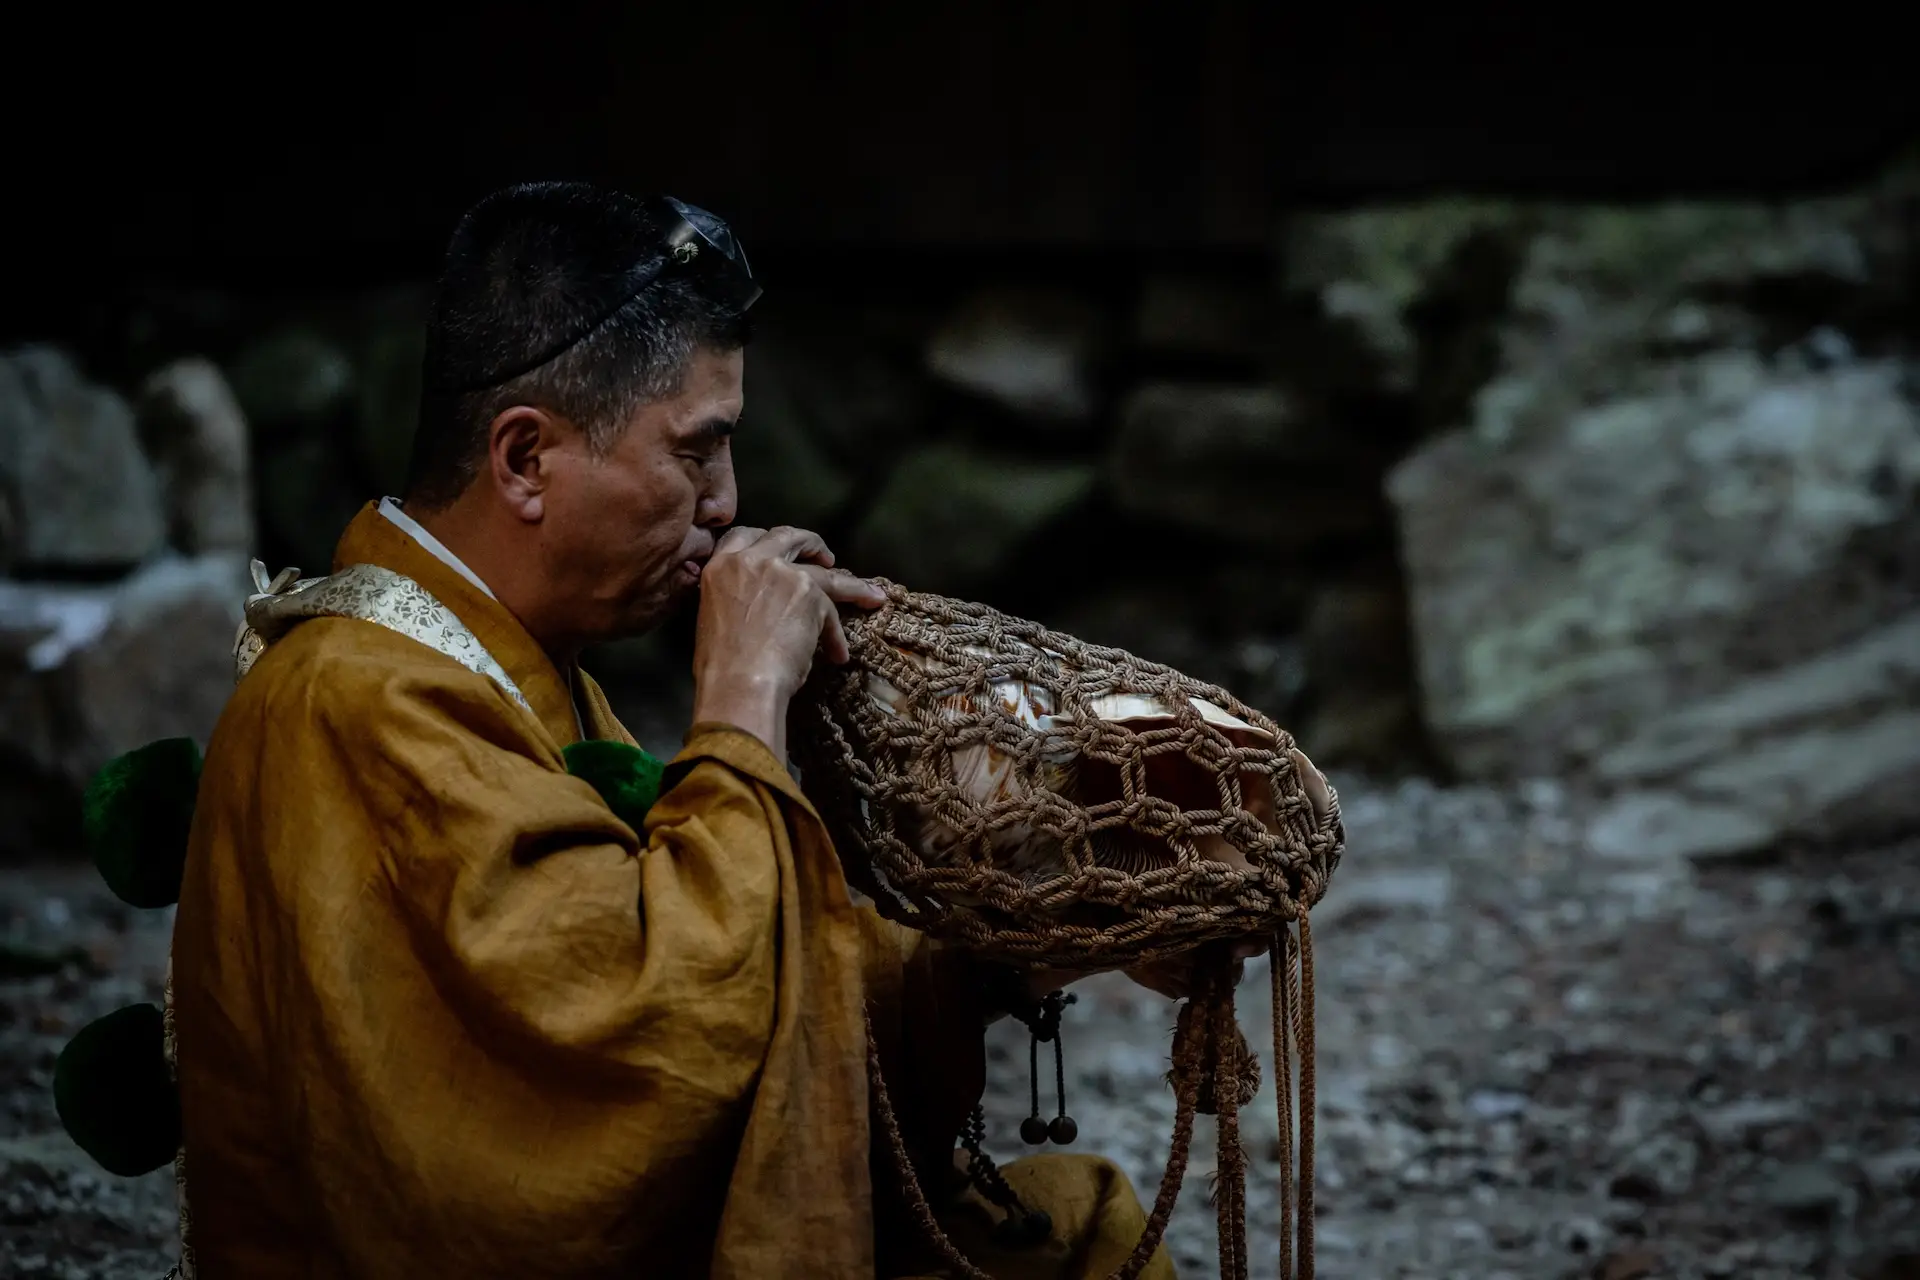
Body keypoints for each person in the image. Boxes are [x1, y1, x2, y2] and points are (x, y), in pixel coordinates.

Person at [171, 181, 1206, 1279]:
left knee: (1075, 1222)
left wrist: (1027, 938)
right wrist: (744, 691)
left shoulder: (500, 661)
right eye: (695, 451)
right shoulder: (353, 700)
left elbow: (722, 977)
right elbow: (646, 1051)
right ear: (525, 459)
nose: (726, 499)